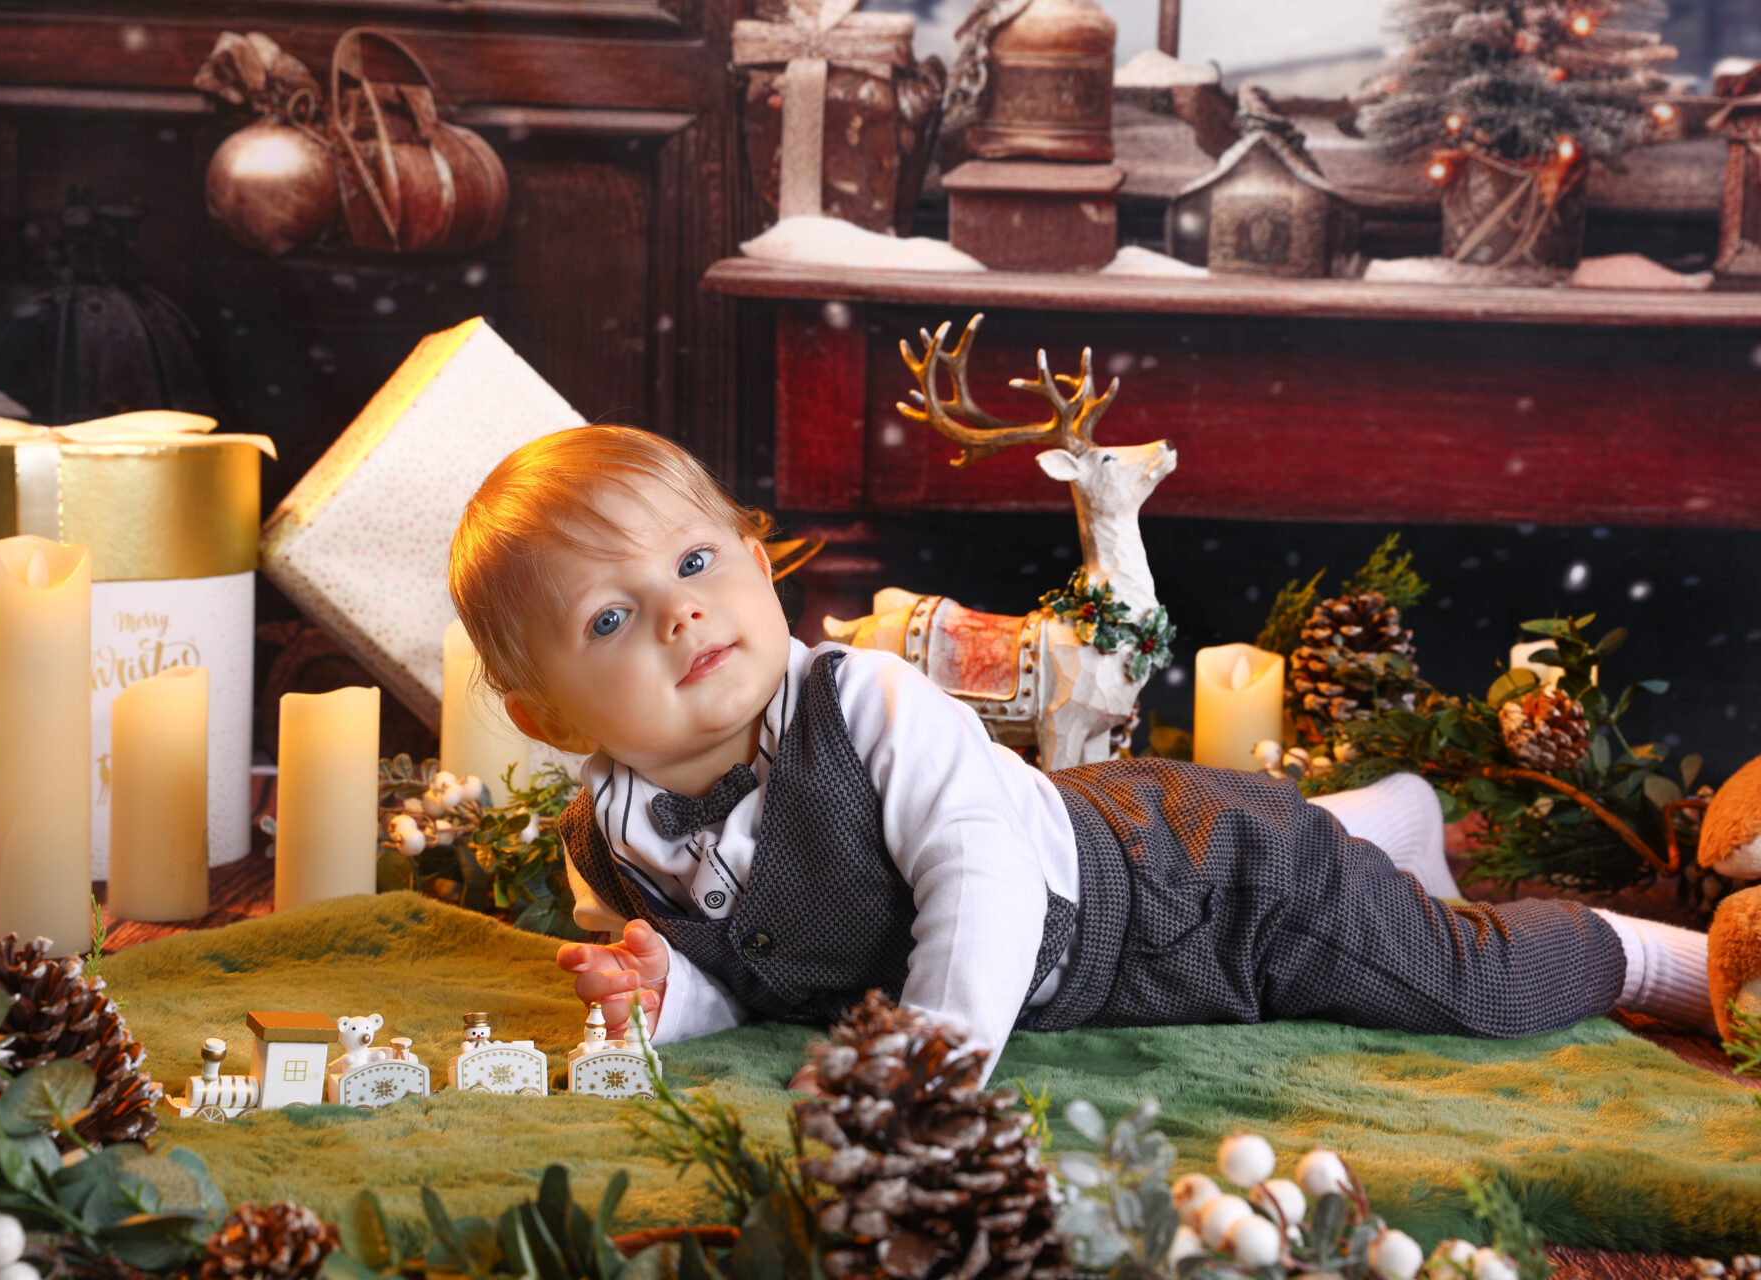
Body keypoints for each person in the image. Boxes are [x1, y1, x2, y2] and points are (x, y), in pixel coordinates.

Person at [448, 425, 1731, 1078]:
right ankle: (1379, 819)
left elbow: (983, 885)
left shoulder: (870, 702)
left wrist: (928, 1071)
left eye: (692, 561)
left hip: (1203, 893)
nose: (679, 610)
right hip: (1106, 823)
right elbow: (763, 963)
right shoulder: (609, 841)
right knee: (1319, 863)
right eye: (607, 616)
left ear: (749, 554)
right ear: (547, 716)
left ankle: (1663, 953)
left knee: (1461, 984)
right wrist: (678, 1001)